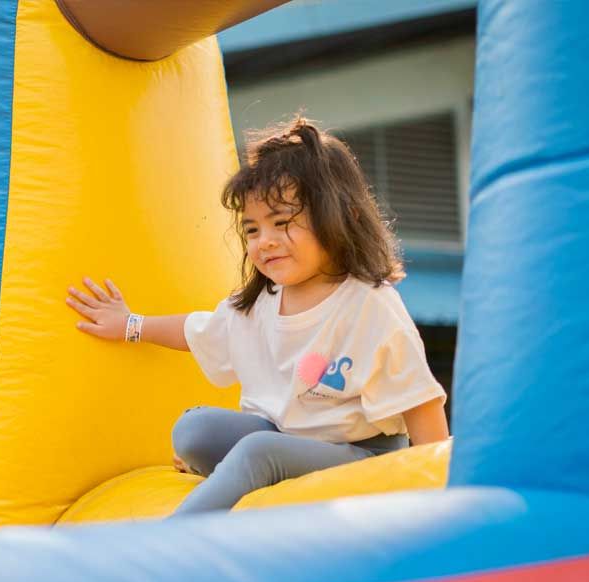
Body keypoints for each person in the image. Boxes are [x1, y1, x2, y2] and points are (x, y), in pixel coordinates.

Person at [64, 115, 449, 516]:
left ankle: (169, 539)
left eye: (282, 223)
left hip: (360, 456)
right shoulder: (262, 300)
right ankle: (249, 475)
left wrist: (437, 490)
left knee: (258, 451)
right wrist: (129, 324)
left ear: (338, 217)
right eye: (251, 230)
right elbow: (197, 329)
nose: (265, 242)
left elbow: (420, 403)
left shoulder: (369, 304)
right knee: (193, 430)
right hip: (283, 438)